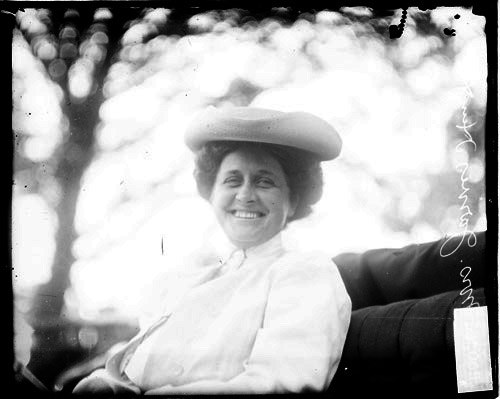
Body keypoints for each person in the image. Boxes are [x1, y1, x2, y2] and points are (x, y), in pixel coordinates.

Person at [73, 106, 351, 395]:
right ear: (212, 193)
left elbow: (279, 384)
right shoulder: (185, 279)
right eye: (232, 180)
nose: (244, 195)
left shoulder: (304, 273)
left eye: (264, 181)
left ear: (293, 200)